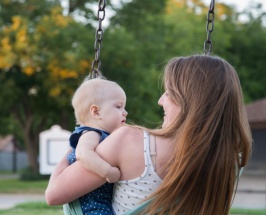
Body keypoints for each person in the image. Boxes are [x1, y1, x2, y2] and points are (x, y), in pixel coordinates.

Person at [46, 54, 252, 215]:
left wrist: (79, 142)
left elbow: (54, 194)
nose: (161, 100)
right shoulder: (231, 160)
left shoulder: (129, 141)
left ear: (191, 101)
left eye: (169, 92)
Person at [62, 77, 128, 214]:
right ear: (96, 112)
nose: (125, 112)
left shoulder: (101, 134)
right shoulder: (92, 133)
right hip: (91, 205)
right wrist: (108, 171)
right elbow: (83, 154)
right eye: (118, 106)